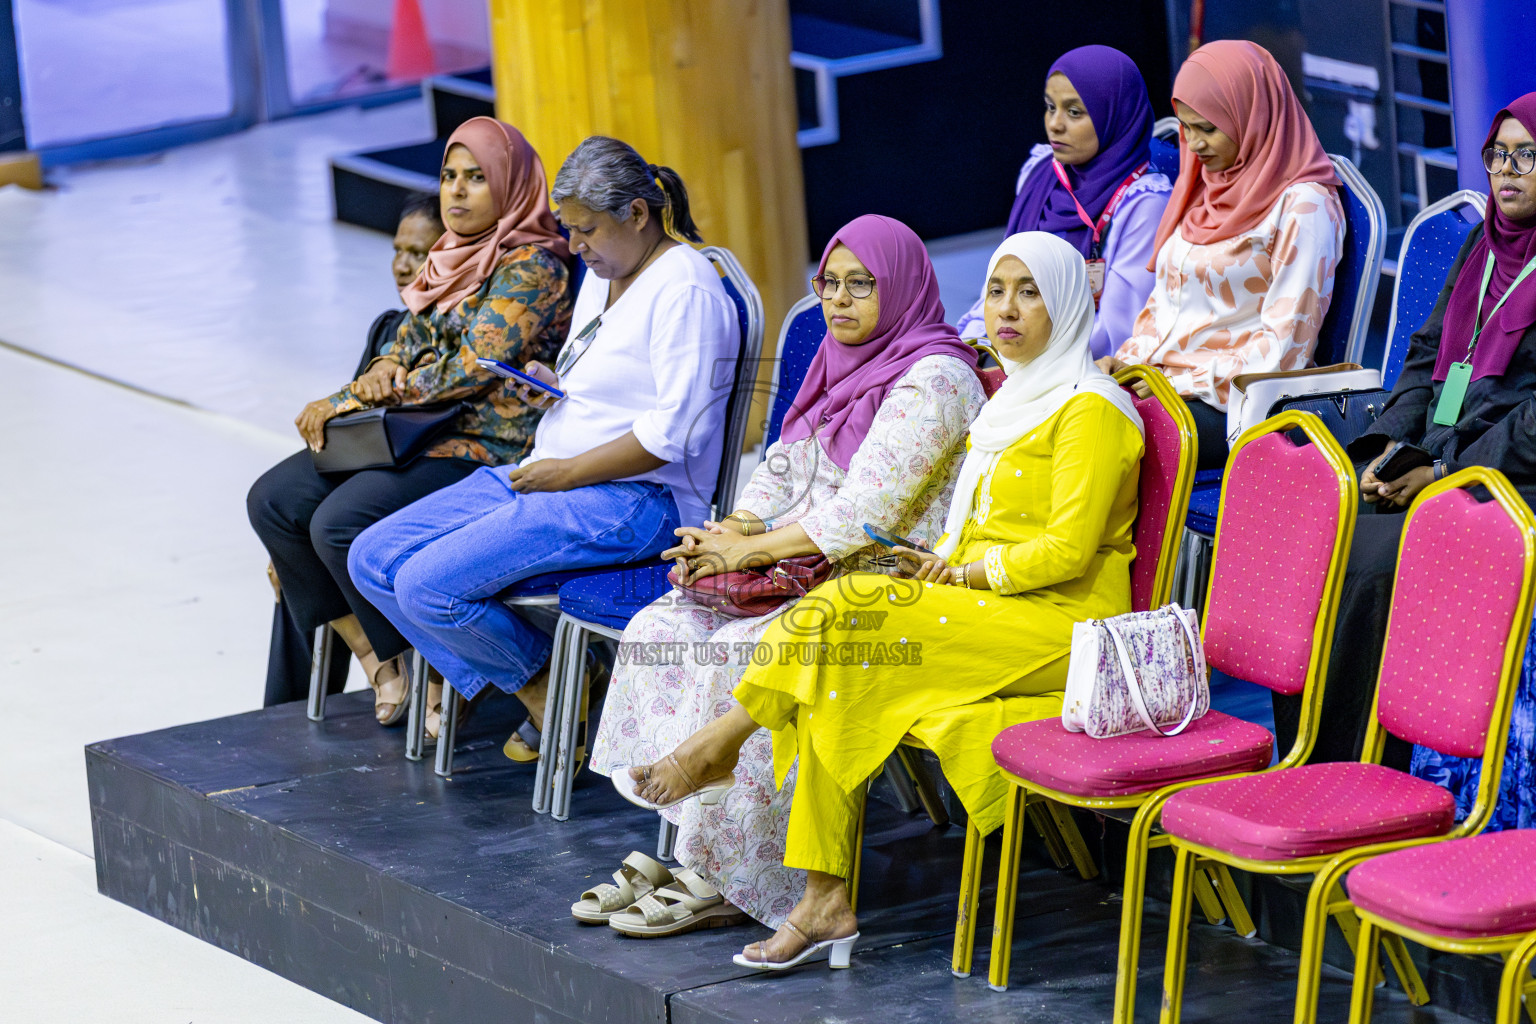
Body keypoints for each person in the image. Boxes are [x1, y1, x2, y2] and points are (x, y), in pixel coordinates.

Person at [619, 231, 1144, 970]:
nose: (1007, 310)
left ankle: (722, 743)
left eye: (1029, 293)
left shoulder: (1094, 409)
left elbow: (1067, 551)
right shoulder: (1011, 404)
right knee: (844, 665)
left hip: (1062, 626)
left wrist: (958, 576)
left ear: (1067, 303)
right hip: (990, 607)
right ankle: (824, 898)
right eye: (996, 290)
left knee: (851, 607)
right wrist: (941, 568)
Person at [585, 214, 985, 933]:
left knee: (745, 653)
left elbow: (870, 512)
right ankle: (688, 844)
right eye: (828, 284)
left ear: (899, 286)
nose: (839, 301)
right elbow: (782, 465)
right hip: (798, 566)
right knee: (663, 624)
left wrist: (754, 551)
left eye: (861, 285)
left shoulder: (937, 377)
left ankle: (735, 875)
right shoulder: (839, 357)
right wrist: (728, 533)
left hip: (882, 579)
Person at [348, 136, 738, 758]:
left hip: (638, 499)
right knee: (370, 557)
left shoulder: (685, 289)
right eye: (569, 230)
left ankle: (541, 684)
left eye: (586, 232)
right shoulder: (610, 268)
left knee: (425, 585)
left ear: (638, 215)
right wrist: (552, 388)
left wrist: (568, 473)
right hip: (555, 472)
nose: (575, 247)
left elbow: (673, 435)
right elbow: (605, 385)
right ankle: (553, 680)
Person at [247, 117, 574, 721]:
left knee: (337, 524)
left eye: (476, 178)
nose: (456, 191)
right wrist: (386, 363)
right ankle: (376, 655)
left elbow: (473, 365)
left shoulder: (533, 268)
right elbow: (411, 333)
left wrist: (356, 398)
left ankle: (440, 673)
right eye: (449, 176)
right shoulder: (449, 255)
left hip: (482, 446)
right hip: (418, 433)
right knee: (273, 500)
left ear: (510, 184)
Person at [1275, 94, 1536, 794]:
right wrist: (1388, 452)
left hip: (1511, 474)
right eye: (1498, 154)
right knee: (1323, 534)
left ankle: (1366, 777)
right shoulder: (1482, 246)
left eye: (1527, 155)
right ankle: (1306, 756)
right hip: (1444, 451)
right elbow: (1424, 356)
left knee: (1374, 563)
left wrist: (1447, 472)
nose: (1507, 171)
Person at [1097, 39, 1344, 471]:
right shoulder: (1206, 186)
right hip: (1169, 385)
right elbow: (1163, 306)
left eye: (1207, 129)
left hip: (1240, 402)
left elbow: (1284, 351)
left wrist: (1175, 385)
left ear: (1253, 116)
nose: (1193, 145)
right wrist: (1128, 362)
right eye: (1185, 128)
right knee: (1060, 407)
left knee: (1099, 434)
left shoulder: (1304, 207)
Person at [956, 45, 1171, 360]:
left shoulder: (1143, 203)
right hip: (1014, 349)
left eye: (1074, 112)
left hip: (1075, 365)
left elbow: (1116, 330)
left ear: (1115, 115)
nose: (1054, 124)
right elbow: (1000, 289)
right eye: (1050, 106)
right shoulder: (1039, 173)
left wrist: (1022, 359)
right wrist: (969, 347)